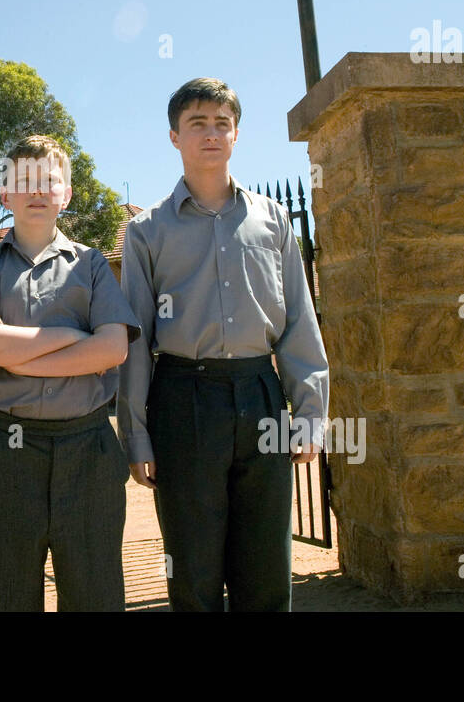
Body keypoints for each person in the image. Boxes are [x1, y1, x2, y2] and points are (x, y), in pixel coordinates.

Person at [117, 77, 329, 612]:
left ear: (236, 135)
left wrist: (309, 414)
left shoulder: (274, 221)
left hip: (261, 393)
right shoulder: (147, 232)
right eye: (197, 124)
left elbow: (299, 321)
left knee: (265, 564)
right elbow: (135, 342)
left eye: (221, 123)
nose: (211, 134)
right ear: (174, 136)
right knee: (192, 568)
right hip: (182, 398)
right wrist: (137, 438)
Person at [0, 135, 140, 611]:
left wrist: (12, 354)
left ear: (66, 194)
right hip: (2, 451)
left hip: (88, 450)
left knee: (94, 593)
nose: (36, 191)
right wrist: (74, 337)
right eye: (22, 181)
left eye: (48, 181)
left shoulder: (93, 264)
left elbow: (113, 348)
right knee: (0, 594)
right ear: (5, 195)